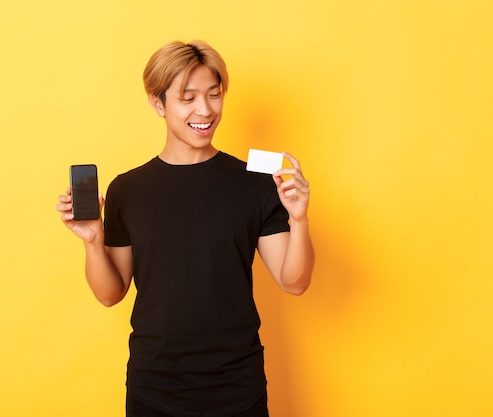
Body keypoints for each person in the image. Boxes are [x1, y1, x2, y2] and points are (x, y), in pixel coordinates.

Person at [57, 40, 314, 417]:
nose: (205, 110)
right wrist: (93, 241)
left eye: (214, 95)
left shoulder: (254, 182)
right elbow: (111, 293)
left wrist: (299, 218)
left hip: (237, 386)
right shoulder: (127, 189)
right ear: (157, 103)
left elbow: (295, 281)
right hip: (154, 387)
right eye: (188, 97)